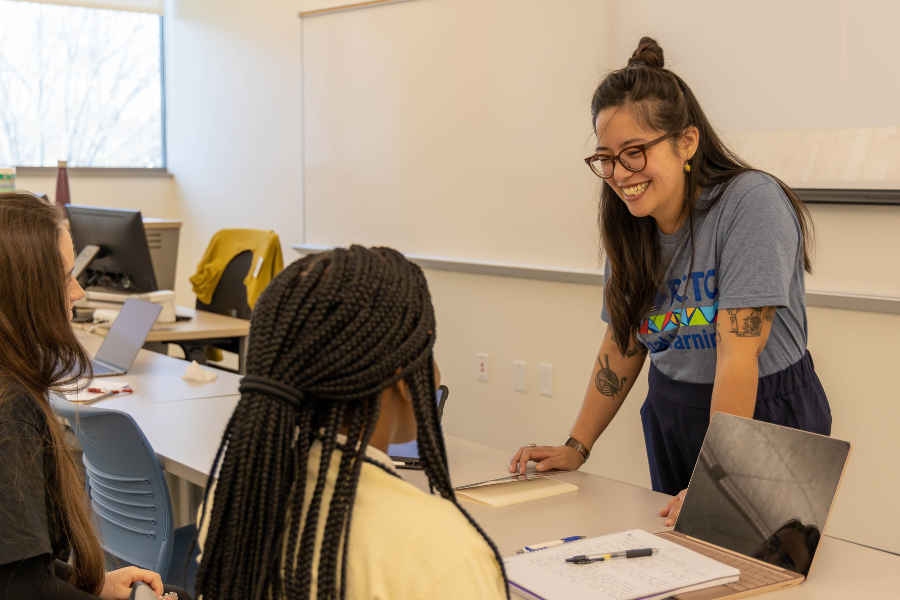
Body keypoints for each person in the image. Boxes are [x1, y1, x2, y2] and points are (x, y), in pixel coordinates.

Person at [509, 38, 831, 526]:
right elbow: (625, 339)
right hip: (673, 409)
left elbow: (738, 353)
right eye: (606, 158)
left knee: (764, 574)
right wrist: (577, 445)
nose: (619, 174)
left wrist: (714, 478)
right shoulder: (629, 224)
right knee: (686, 567)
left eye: (635, 152)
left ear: (687, 142)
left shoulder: (751, 203)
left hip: (761, 410)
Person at [195, 246, 507, 600]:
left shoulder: (234, 505)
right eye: (426, 352)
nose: (435, 374)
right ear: (400, 376)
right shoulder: (442, 550)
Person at [0, 192, 189, 599]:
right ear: (26, 290)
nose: (79, 291)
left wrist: (93, 585)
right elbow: (19, 589)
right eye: (67, 275)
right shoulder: (9, 409)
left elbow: (18, 565)